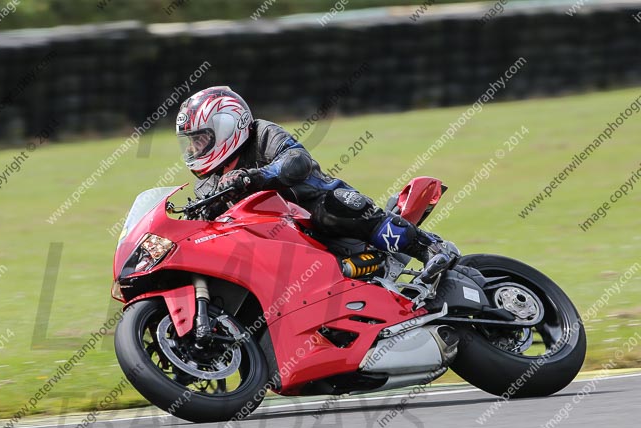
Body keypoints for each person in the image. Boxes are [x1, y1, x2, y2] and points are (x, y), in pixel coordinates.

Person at [175, 86, 459, 281]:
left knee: (332, 208)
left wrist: (254, 177)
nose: (193, 149)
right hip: (273, 242)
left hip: (310, 209)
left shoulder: (262, 134)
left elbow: (296, 159)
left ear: (228, 127)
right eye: (191, 142)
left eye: (200, 139)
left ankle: (430, 247)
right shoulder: (209, 183)